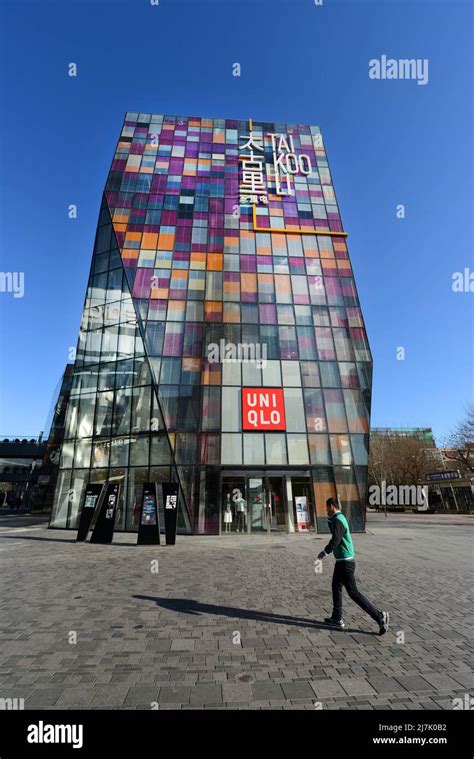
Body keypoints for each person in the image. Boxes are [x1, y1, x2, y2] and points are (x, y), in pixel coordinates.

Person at [317, 497, 389, 635]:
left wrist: (324, 552)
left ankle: (380, 616)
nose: (326, 511)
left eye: (327, 508)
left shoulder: (338, 520)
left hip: (345, 563)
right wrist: (329, 520)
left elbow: (336, 539)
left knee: (354, 593)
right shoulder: (338, 519)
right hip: (342, 561)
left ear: (332, 506)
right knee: (336, 587)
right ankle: (337, 617)